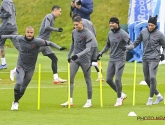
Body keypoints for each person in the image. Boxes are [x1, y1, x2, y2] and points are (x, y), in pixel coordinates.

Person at [1, 26, 66, 110]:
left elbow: (49, 43)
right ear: (25, 32)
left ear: (33, 33)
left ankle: (15, 101)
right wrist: (1, 36)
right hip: (20, 66)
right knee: (19, 83)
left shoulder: (37, 41)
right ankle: (16, 103)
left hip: (30, 68)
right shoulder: (20, 38)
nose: (29, 34)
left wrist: (59, 48)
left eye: (31, 32)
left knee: (23, 88)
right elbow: (9, 36)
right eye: (28, 32)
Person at [10, 5, 67, 84]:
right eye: (59, 11)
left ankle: (56, 78)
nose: (60, 14)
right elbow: (47, 27)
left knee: (54, 58)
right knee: (28, 58)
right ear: (55, 10)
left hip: (45, 43)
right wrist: (56, 29)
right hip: (41, 42)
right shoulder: (49, 16)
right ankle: (14, 71)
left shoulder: (52, 18)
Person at [124, 15, 165, 105]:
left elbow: (164, 46)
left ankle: (150, 98)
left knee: (152, 77)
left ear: (155, 26)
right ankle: (158, 96)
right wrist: (126, 48)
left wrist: (163, 54)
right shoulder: (143, 32)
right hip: (145, 58)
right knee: (147, 79)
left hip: (154, 58)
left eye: (152, 25)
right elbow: (135, 43)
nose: (150, 27)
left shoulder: (159, 34)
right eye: (149, 25)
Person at [97, 17, 131, 106]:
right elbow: (108, 45)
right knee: (108, 79)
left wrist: (126, 48)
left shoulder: (123, 34)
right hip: (112, 59)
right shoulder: (110, 34)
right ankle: (122, 95)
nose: (111, 24)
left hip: (120, 59)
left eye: (113, 23)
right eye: (110, 23)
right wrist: (101, 52)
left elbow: (132, 44)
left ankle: (119, 98)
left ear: (117, 23)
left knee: (117, 79)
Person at [61, 16, 94, 108]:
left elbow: (88, 49)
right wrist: (69, 54)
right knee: (70, 78)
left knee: (87, 79)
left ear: (81, 23)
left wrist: (78, 55)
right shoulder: (74, 32)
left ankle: (89, 101)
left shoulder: (88, 33)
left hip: (85, 60)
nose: (75, 26)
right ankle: (70, 100)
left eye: (77, 24)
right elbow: (73, 43)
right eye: (74, 25)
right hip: (75, 60)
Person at [72, 13, 104, 81]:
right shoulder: (89, 22)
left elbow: (82, 35)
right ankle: (100, 75)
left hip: (87, 44)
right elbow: (94, 32)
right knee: (94, 59)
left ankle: (91, 76)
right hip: (94, 43)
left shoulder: (81, 25)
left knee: (87, 60)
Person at [0, 0, 18, 70]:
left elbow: (8, 12)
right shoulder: (12, 2)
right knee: (18, 45)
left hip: (5, 26)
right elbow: (14, 13)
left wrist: (1, 15)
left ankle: (3, 63)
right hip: (14, 26)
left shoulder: (4, 2)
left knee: (0, 44)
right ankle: (26, 59)